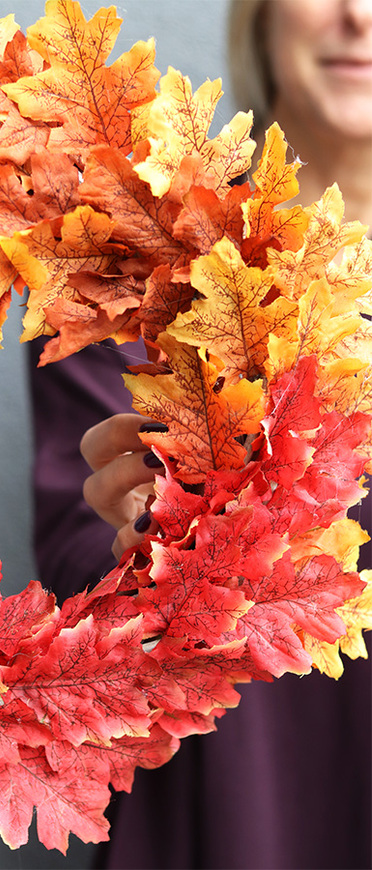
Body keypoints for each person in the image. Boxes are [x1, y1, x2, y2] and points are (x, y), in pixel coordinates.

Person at [28, 1, 372, 867]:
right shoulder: (147, 251)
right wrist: (139, 533)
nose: (358, 16)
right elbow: (77, 547)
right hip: (234, 803)